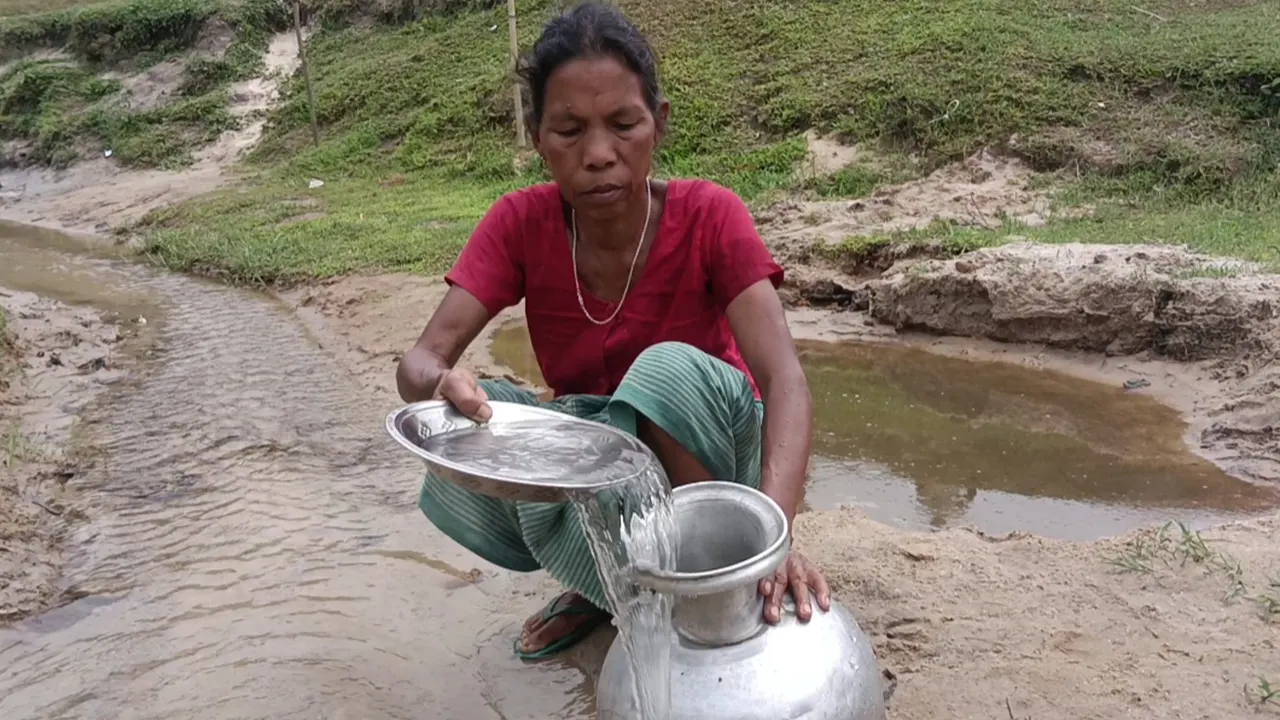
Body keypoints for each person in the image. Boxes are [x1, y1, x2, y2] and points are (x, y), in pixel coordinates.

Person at [395, 0, 828, 660]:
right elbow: (420, 362)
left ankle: (724, 567)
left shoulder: (711, 216)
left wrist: (773, 538)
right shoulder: (519, 224)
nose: (598, 154)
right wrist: (443, 383)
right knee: (485, 421)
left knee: (659, 373)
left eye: (623, 124)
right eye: (569, 131)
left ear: (658, 125)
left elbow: (785, 379)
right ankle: (605, 587)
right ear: (538, 137)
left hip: (714, 453)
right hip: (607, 459)